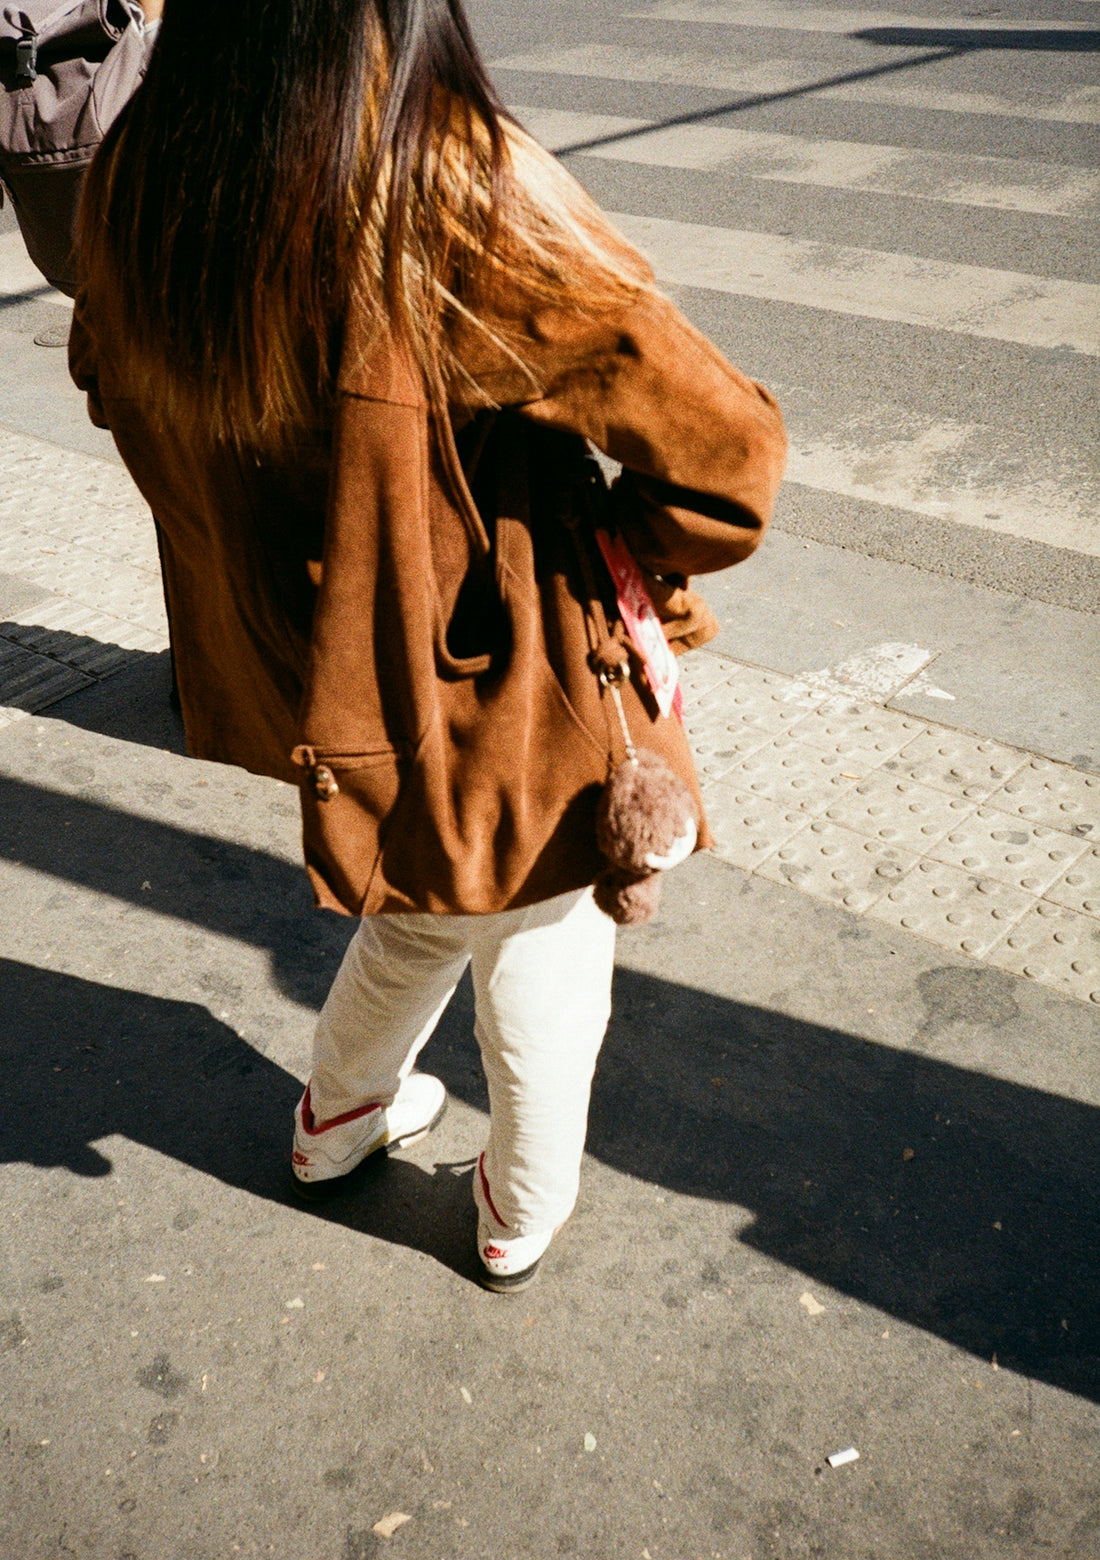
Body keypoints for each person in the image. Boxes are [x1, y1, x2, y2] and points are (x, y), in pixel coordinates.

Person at [69, 0, 787, 1291]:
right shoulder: (435, 184)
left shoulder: (139, 174)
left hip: (331, 672)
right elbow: (730, 452)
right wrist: (620, 553)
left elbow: (105, 377)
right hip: (495, 662)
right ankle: (520, 1203)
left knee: (421, 904)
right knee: (546, 930)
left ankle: (335, 1123)